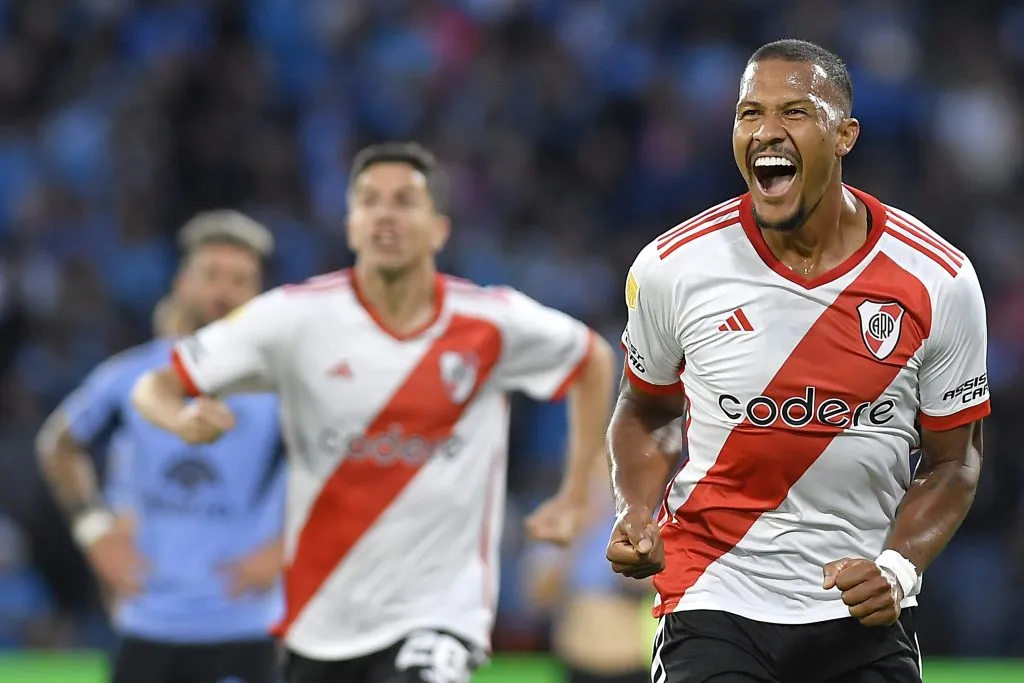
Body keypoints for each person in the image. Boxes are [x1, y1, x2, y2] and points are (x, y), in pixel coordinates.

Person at [130, 142, 616, 683]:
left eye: (405, 201)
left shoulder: (491, 323)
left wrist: (576, 495)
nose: (385, 214)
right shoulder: (293, 319)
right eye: (369, 201)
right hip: (321, 618)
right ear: (351, 226)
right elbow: (155, 385)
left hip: (438, 615)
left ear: (439, 229)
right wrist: (180, 419)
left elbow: (592, 358)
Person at [605, 39, 990, 683]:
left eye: (795, 112)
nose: (766, 131)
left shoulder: (937, 280)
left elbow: (955, 461)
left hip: (860, 607)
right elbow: (645, 410)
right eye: (749, 113)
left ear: (845, 135)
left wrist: (899, 565)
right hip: (713, 595)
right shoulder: (674, 268)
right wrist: (637, 509)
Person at [36, 212, 287, 683]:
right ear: (181, 282)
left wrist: (289, 549)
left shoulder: (281, 388)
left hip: (248, 625)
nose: (223, 293)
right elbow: (59, 443)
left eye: (240, 280)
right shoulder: (127, 377)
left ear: (258, 295)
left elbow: (339, 467)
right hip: (148, 621)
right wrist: (94, 531)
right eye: (210, 275)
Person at [527, 419, 681, 683]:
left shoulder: (646, 521)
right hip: (575, 662)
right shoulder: (562, 521)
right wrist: (577, 538)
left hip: (628, 663)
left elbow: (660, 586)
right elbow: (537, 597)